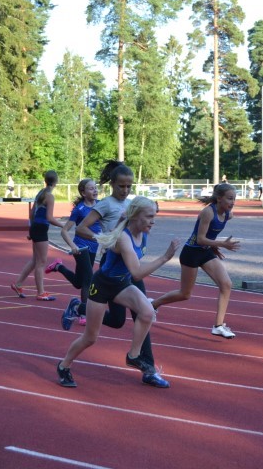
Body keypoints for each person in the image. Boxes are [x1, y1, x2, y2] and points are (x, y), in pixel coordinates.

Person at [56, 196, 180, 388]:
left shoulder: (142, 233)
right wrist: (165, 257)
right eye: (149, 217)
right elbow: (137, 273)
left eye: (154, 216)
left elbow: (132, 272)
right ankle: (64, 366)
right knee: (90, 338)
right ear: (136, 216)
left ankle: (134, 356)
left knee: (147, 312)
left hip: (121, 284)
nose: (153, 221)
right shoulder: (123, 238)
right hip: (102, 286)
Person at [74, 161, 169, 387]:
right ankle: (80, 307)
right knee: (117, 321)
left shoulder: (132, 205)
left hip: (130, 267)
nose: (125, 190)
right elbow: (81, 228)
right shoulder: (104, 205)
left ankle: (147, 368)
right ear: (112, 184)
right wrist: (105, 239)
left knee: (143, 314)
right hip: (113, 266)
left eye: (129, 186)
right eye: (121, 186)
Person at [151, 183, 241, 339]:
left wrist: (214, 246)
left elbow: (209, 237)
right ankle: (153, 305)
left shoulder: (228, 214)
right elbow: (200, 239)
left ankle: (218, 326)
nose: (232, 202)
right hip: (191, 253)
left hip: (206, 252)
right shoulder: (208, 212)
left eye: (234, 199)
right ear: (219, 198)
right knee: (185, 294)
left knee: (226, 284)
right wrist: (222, 244)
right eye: (229, 198)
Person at [48, 178, 101, 328]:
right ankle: (83, 313)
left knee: (78, 282)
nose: (95, 190)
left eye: (95, 187)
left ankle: (58, 267)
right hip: (81, 247)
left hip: (93, 246)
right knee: (88, 279)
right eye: (91, 188)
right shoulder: (79, 209)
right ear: (83, 193)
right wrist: (73, 246)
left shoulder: (100, 205)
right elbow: (64, 231)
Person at [10, 170, 66, 301]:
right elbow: (49, 218)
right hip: (41, 229)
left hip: (36, 227)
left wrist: (31, 230)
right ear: (56, 181)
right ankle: (40, 292)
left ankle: (18, 284)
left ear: (45, 180)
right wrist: (63, 225)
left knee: (35, 260)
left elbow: (31, 214)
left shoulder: (40, 193)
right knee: (41, 262)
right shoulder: (50, 196)